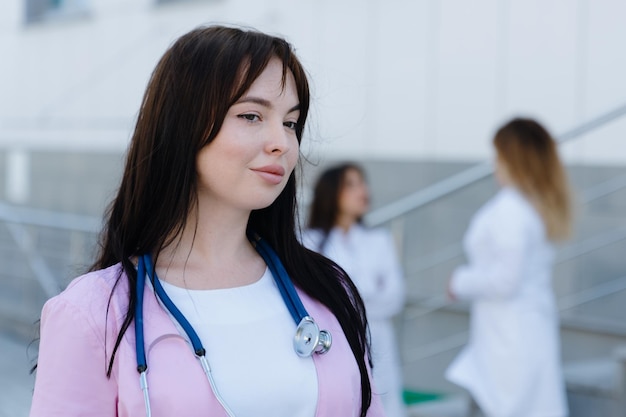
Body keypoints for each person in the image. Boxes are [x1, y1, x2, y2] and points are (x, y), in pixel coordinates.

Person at [29, 25, 386, 417]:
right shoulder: (93, 313)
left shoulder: (328, 290)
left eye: (290, 122)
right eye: (251, 115)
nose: (282, 143)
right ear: (184, 127)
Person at [445, 118, 572, 417]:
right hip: (527, 328)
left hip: (511, 336)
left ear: (512, 157)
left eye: (498, 154)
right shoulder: (534, 205)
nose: (494, 163)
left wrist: (459, 281)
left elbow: (505, 280)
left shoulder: (511, 209)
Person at [301, 163, 406, 417]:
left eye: (363, 182)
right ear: (331, 192)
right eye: (351, 184)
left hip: (379, 338)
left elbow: (395, 297)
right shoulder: (308, 242)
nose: (363, 190)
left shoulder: (378, 240)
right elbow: (315, 299)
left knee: (385, 401)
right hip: (334, 339)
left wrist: (347, 299)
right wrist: (368, 293)